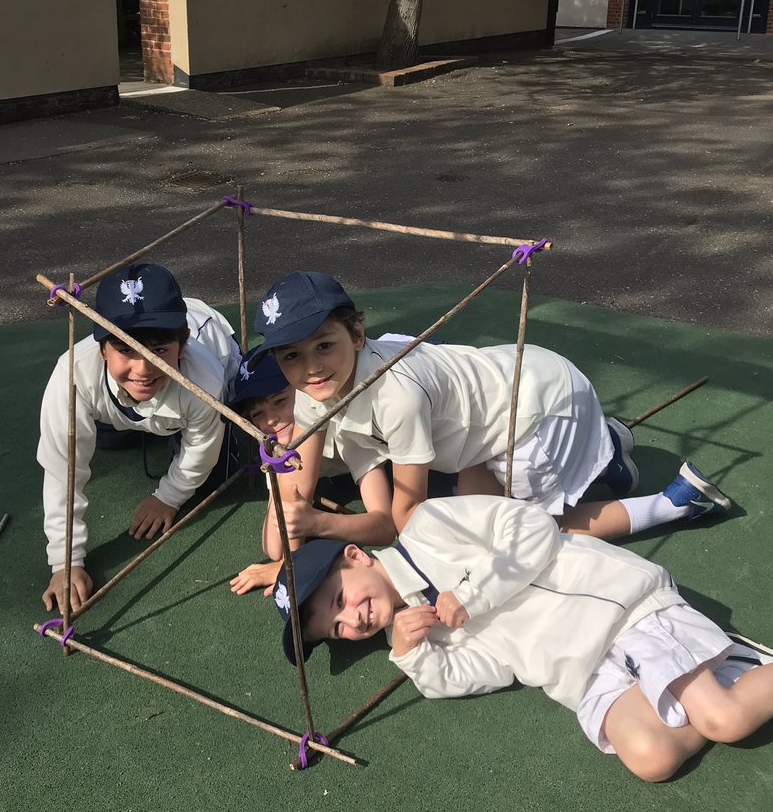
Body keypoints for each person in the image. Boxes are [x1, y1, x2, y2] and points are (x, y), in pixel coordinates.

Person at [271, 495, 773, 781]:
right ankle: (737, 670)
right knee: (652, 759)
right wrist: (415, 659)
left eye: (339, 600)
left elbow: (531, 527)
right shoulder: (416, 627)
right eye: (336, 630)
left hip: (622, 610)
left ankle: (756, 675)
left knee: (728, 720)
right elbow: (490, 669)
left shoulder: (429, 526)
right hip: (584, 675)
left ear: (355, 554)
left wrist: (475, 592)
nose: (352, 621)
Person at [248, 270, 731, 543]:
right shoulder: (312, 394)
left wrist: (316, 524)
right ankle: (604, 443)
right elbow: (292, 499)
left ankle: (673, 504)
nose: (310, 368)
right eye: (291, 355)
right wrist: (288, 519)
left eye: (323, 345)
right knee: (473, 512)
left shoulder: (395, 394)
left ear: (356, 334)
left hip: (536, 410)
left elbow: (405, 513)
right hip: (504, 401)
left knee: (525, 534)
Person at [39, 262, 241, 614]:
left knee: (218, 472)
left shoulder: (204, 377)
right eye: (126, 350)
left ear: (182, 344)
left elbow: (201, 450)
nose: (144, 368)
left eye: (159, 351)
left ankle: (162, 426)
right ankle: (145, 424)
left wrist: (169, 497)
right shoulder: (72, 373)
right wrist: (65, 560)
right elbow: (62, 467)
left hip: (210, 349)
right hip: (123, 401)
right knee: (101, 437)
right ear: (102, 348)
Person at [227, 346, 396, 596]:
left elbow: (386, 525)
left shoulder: (344, 427)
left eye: (280, 401)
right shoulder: (276, 446)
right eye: (258, 414)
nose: (271, 420)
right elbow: (274, 546)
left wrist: (314, 527)